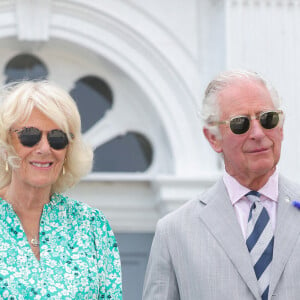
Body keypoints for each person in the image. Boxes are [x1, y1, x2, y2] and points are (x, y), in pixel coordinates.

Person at [143, 70, 300, 300]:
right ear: (213, 138)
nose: (258, 133)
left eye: (267, 118)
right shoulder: (174, 232)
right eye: (240, 124)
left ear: (281, 127)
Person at [0, 81, 122, 299]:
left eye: (57, 138)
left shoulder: (91, 225)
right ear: (7, 141)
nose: (45, 148)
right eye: (30, 136)